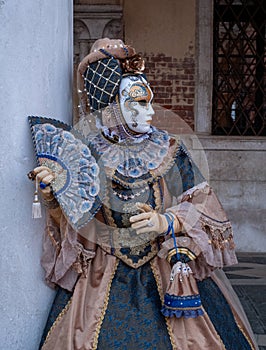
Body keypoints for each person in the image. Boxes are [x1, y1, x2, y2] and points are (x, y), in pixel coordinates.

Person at [31, 38, 258, 349]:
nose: (150, 111)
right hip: (103, 272)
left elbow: (204, 203)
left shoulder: (169, 149)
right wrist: (52, 197)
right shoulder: (86, 154)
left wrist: (166, 222)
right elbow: (80, 221)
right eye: (138, 103)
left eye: (149, 101)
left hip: (164, 267)